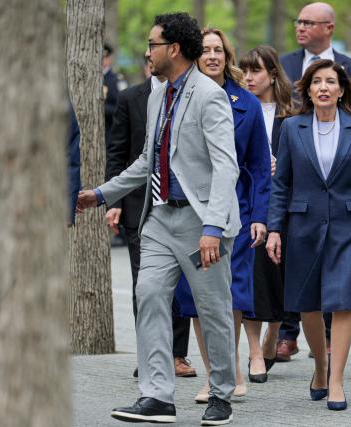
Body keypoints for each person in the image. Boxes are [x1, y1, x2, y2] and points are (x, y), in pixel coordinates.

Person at [76, 12, 240, 425]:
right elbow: (146, 162)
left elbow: (226, 167)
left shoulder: (209, 95)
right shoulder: (157, 94)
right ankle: (156, 397)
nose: (147, 51)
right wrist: (99, 194)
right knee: (148, 295)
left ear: (175, 49)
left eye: (152, 44)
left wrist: (213, 228)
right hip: (159, 219)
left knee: (213, 309)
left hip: (202, 224)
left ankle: (222, 393)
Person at [266, 59, 351, 411]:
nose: (323, 87)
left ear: (341, 89)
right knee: (309, 305)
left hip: (350, 226)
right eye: (316, 81)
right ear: (306, 89)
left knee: (342, 301)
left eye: (330, 82)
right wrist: (275, 228)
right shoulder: (292, 128)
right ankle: (320, 367)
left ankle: (336, 381)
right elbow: (281, 184)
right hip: (303, 225)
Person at [277, 3, 351, 360]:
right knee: (304, 286)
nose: (300, 27)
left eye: (308, 22)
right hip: (301, 194)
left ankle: (333, 359)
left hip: (347, 207)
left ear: (329, 27)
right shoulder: (284, 67)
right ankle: (291, 336)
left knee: (341, 288)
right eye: (298, 21)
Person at [175, 27, 271, 401]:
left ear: (227, 56)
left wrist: (261, 216)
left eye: (219, 50)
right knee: (196, 296)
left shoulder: (246, 103)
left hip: (238, 210)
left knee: (230, 293)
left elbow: (261, 166)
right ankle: (214, 375)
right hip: (191, 210)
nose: (212, 56)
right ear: (195, 55)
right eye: (206, 50)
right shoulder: (179, 98)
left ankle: (229, 368)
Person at [105, 59, 195, 379]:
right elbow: (118, 152)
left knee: (179, 284)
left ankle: (178, 354)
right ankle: (148, 353)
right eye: (147, 57)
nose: (151, 62)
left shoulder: (189, 96)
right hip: (137, 206)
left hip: (180, 207)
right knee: (144, 285)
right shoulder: (131, 98)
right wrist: (111, 201)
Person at [239, 45, 294, 382]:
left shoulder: (294, 113)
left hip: (290, 204)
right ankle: (254, 350)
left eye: (255, 70)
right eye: (244, 71)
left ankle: (275, 332)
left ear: (273, 73)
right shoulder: (238, 108)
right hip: (251, 203)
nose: (248, 78)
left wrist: (281, 166)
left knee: (284, 276)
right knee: (255, 274)